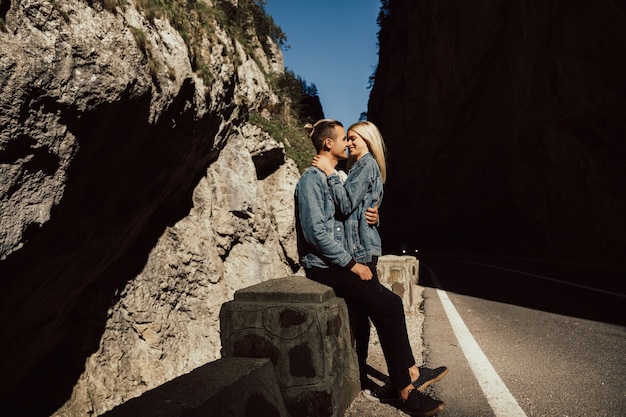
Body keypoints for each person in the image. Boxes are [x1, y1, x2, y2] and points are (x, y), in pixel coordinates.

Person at [295, 119, 446, 417]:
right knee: (389, 305)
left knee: (381, 308)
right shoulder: (313, 179)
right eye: (344, 139)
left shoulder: (334, 175)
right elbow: (317, 232)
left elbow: (348, 211)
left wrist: (373, 217)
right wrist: (352, 265)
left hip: (341, 260)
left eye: (352, 139)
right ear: (329, 144)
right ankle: (406, 389)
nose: (347, 144)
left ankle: (396, 377)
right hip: (328, 263)